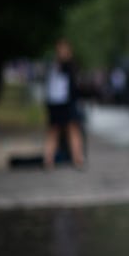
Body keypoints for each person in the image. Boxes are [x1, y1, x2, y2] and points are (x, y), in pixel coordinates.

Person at [43, 39, 85, 169]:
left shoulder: (68, 66)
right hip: (58, 103)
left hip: (66, 103)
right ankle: (49, 160)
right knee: (56, 131)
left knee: (72, 130)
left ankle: (77, 158)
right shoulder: (56, 66)